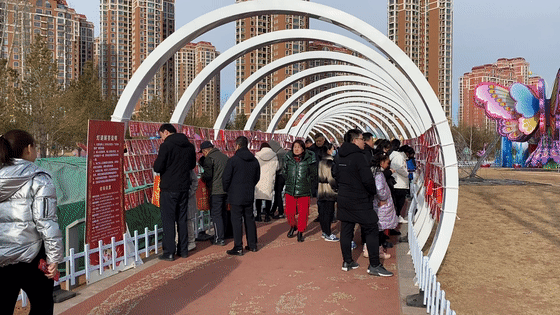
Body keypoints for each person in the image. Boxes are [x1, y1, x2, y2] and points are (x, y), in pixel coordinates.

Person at [0, 130, 64, 315]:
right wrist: (53, 258)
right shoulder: (39, 178)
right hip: (32, 255)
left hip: (2, 258)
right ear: (29, 149)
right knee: (42, 305)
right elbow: (46, 222)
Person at [332, 129, 393, 277]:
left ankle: (347, 261)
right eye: (361, 139)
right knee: (371, 228)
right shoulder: (359, 157)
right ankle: (374, 265)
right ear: (354, 141)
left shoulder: (339, 156)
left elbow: (335, 174)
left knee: (346, 229)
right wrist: (372, 192)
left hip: (344, 198)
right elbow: (367, 180)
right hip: (359, 199)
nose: (363, 142)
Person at [153, 124, 196, 261]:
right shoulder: (189, 146)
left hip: (169, 188)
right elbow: (192, 165)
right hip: (184, 187)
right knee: (182, 219)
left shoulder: (166, 146)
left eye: (161, 135)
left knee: (168, 220)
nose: (161, 138)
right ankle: (183, 250)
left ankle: (169, 252)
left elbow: (158, 167)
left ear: (166, 132)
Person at [222, 136, 260, 255]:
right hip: (249, 193)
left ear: (237, 145)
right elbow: (257, 177)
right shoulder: (254, 160)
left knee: (236, 221)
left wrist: (228, 189)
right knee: (249, 219)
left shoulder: (233, 160)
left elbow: (226, 178)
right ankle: (252, 245)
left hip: (235, 195)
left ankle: (238, 246)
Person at [283, 139, 317, 242]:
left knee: (303, 212)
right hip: (290, 189)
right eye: (295, 147)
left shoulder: (309, 159)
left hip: (304, 189)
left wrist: (307, 182)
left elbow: (313, 174)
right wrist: (289, 180)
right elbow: (284, 172)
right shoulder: (288, 158)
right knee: (289, 212)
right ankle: (293, 226)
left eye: (299, 147)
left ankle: (301, 231)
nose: (296, 149)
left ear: (303, 148)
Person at [367, 153, 398, 260]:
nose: (388, 164)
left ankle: (368, 249)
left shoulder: (371, 171)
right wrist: (384, 198)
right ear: (381, 162)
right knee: (379, 229)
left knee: (374, 229)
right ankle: (378, 251)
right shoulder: (379, 174)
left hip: (374, 203)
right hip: (381, 205)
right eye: (387, 162)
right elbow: (380, 189)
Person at [199, 140, 229, 246]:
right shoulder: (224, 157)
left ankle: (219, 238)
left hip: (216, 190)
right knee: (223, 212)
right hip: (226, 189)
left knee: (216, 215)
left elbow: (208, 176)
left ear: (205, 151)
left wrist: (202, 177)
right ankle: (223, 234)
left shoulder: (209, 159)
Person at [317, 143, 339, 242]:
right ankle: (328, 233)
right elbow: (331, 178)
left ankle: (324, 231)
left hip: (321, 189)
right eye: (333, 149)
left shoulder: (321, 161)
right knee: (329, 212)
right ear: (329, 150)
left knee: (323, 212)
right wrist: (336, 188)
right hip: (329, 190)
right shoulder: (330, 162)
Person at [254, 143, 279, 222]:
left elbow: (254, 167)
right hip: (269, 179)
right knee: (268, 197)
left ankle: (258, 215)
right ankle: (267, 216)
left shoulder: (257, 156)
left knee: (258, 197)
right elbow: (277, 167)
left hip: (259, 179)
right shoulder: (274, 156)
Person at [389, 139, 409, 225]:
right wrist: (407, 174)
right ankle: (396, 217)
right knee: (399, 202)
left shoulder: (393, 155)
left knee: (396, 202)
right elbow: (399, 167)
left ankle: (396, 217)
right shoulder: (399, 157)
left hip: (397, 182)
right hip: (399, 183)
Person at [269, 140, 288, 219]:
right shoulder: (285, 153)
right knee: (278, 193)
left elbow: (278, 166)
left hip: (280, 175)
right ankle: (273, 210)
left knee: (278, 193)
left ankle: (280, 212)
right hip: (286, 175)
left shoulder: (278, 154)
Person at [186, 169, 198, 252]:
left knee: (188, 221)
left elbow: (195, 181)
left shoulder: (189, 170)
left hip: (188, 198)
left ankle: (191, 241)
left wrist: (189, 192)